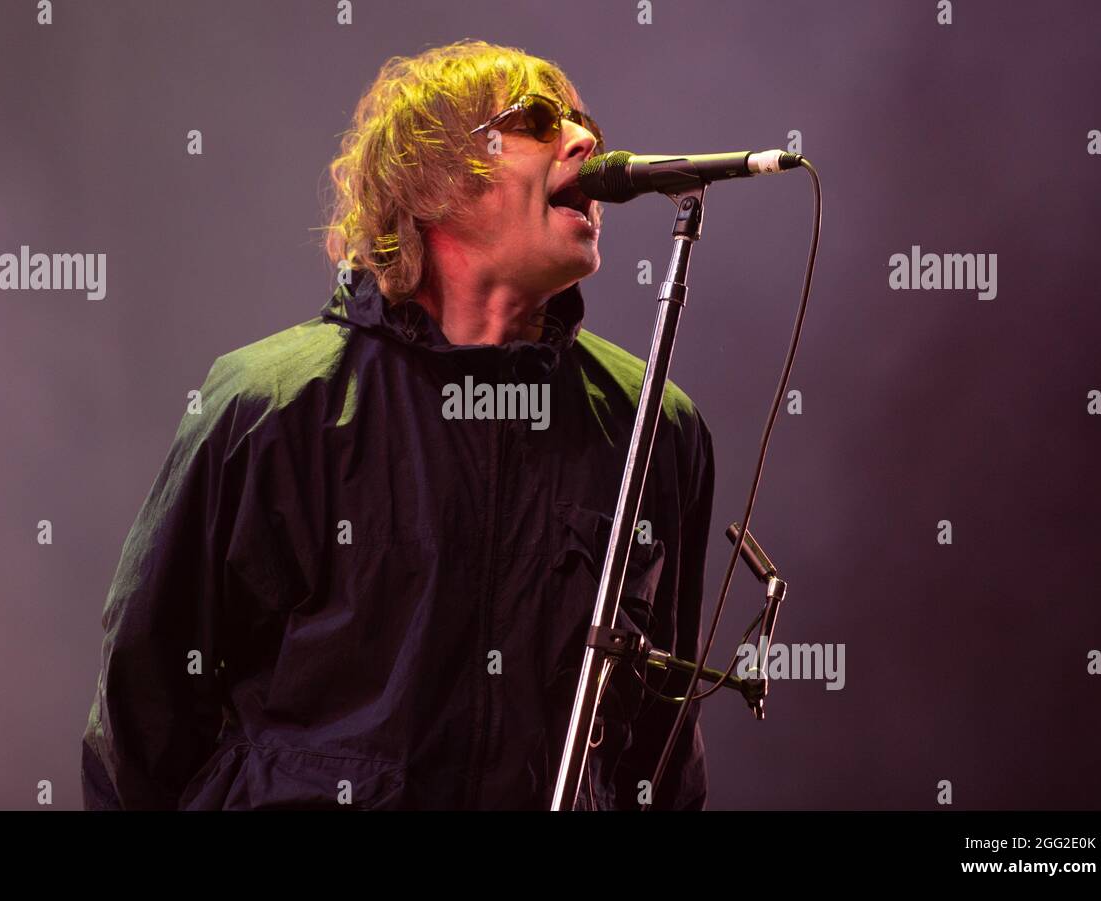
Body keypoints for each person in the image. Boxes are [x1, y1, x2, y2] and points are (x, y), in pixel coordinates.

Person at [82, 38, 714, 811]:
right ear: (433, 178)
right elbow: (143, 713)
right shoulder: (269, 405)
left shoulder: (652, 424)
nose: (586, 141)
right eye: (539, 120)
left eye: (585, 123)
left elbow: (661, 750)